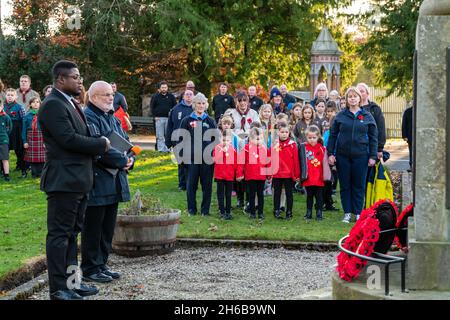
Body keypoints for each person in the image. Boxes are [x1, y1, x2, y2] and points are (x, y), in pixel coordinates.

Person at [38, 60, 111, 300]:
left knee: (71, 235)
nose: (80, 81)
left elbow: (82, 134)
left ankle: (72, 283)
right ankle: (59, 289)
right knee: (60, 236)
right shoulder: (52, 105)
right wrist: (101, 144)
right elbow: (68, 139)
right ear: (61, 79)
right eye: (76, 77)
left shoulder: (70, 103)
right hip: (63, 181)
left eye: (80, 77)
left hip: (79, 180)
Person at [81, 81, 134, 284]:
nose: (111, 98)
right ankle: (90, 267)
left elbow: (126, 142)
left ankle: (101, 264)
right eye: (106, 95)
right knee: (93, 227)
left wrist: (131, 158)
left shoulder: (111, 117)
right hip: (98, 180)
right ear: (93, 97)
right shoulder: (89, 116)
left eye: (112, 94)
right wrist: (123, 160)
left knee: (107, 227)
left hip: (114, 180)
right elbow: (98, 146)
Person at [327, 87, 378, 223]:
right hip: (343, 156)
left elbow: (374, 137)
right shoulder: (340, 116)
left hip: (361, 156)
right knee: (345, 185)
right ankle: (347, 213)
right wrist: (330, 153)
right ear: (347, 100)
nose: (353, 98)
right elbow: (333, 135)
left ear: (359, 98)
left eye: (355, 96)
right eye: (350, 96)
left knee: (359, 185)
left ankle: (358, 213)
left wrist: (373, 156)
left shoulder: (367, 116)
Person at [178, 93, 218, 216]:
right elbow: (180, 140)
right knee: (191, 186)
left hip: (207, 159)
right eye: (198, 103)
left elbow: (215, 140)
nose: (200, 106)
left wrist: (214, 156)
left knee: (207, 186)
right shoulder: (186, 120)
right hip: (191, 158)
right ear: (194, 105)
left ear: (205, 105)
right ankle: (192, 209)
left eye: (202, 103)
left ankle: (205, 210)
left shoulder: (210, 121)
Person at [237, 127, 270, 219]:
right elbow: (241, 163)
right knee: (251, 195)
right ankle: (252, 213)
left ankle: (260, 212)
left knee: (260, 195)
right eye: (257, 139)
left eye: (261, 138)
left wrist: (269, 174)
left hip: (261, 176)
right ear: (251, 139)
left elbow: (268, 162)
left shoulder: (264, 149)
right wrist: (240, 174)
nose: (259, 141)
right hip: (250, 176)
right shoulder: (246, 149)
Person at [165, 89, 195, 191]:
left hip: (194, 141)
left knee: (193, 163)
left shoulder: (197, 108)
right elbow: (170, 125)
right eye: (187, 94)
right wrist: (168, 141)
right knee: (181, 163)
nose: (189, 96)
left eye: (191, 94)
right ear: (183, 96)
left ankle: (192, 183)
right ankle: (182, 184)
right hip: (179, 140)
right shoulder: (176, 109)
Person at [271, 122, 300, 220]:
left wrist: (297, 174)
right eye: (282, 132)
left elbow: (296, 161)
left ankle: (289, 211)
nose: (284, 134)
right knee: (277, 193)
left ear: (289, 133)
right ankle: (276, 210)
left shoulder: (292, 145)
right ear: (278, 132)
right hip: (277, 173)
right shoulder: (275, 144)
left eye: (286, 132)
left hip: (288, 174)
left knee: (289, 193)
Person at [300, 125, 329, 220]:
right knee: (309, 196)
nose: (312, 140)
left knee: (319, 197)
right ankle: (308, 213)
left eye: (314, 137)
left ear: (318, 137)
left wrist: (325, 175)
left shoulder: (322, 148)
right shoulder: (303, 148)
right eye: (309, 138)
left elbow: (325, 163)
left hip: (319, 177)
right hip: (308, 177)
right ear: (306, 137)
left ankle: (319, 213)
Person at [357, 83, 386, 160]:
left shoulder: (375, 109)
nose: (360, 93)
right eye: (358, 91)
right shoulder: (352, 109)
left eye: (362, 91)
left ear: (367, 93)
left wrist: (380, 149)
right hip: (357, 148)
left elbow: (381, 128)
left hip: (372, 146)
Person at [213, 129, 238, 220]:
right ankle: (221, 210)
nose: (225, 142)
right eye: (223, 140)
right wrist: (222, 151)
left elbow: (235, 163)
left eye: (227, 140)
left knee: (228, 194)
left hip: (229, 176)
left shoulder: (233, 150)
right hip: (220, 176)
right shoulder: (217, 148)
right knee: (220, 194)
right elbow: (216, 160)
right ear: (220, 139)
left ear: (230, 140)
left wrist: (236, 173)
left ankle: (228, 211)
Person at [3, 88, 27, 176]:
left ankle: (23, 169)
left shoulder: (19, 107)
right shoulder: (3, 107)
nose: (10, 97)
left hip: (17, 130)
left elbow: (23, 120)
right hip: (5, 131)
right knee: (4, 151)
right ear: (5, 96)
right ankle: (3, 171)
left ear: (16, 96)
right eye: (8, 95)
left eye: (12, 95)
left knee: (20, 151)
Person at [150, 81, 177, 153]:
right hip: (159, 118)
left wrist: (173, 117)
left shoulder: (171, 97)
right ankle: (161, 149)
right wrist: (154, 116)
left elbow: (175, 107)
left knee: (168, 135)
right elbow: (152, 107)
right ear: (160, 88)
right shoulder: (155, 96)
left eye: (165, 87)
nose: (164, 89)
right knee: (160, 135)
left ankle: (168, 149)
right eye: (162, 87)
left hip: (169, 119)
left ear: (167, 88)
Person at [22, 97, 46, 178]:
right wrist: (25, 141)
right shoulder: (27, 116)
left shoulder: (43, 115)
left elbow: (47, 129)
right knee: (32, 158)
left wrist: (46, 141)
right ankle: (34, 173)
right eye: (33, 102)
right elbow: (24, 130)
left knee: (42, 157)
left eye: (37, 102)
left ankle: (41, 173)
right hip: (31, 138)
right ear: (30, 104)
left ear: (40, 104)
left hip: (41, 138)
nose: (35, 104)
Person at [0, 100, 12, 181]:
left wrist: (5, 136)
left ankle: (6, 175)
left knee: (5, 158)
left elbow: (10, 128)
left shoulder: (6, 117)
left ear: (2, 107)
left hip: (3, 140)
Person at [401, 104, 413, 172]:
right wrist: (404, 136)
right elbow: (404, 124)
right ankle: (411, 166)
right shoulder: (408, 111)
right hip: (410, 136)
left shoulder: (421, 111)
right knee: (411, 151)